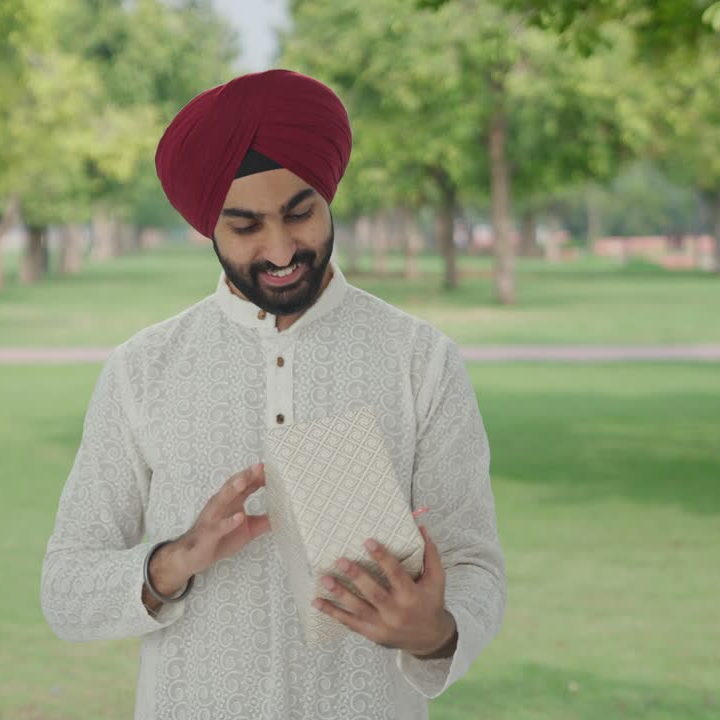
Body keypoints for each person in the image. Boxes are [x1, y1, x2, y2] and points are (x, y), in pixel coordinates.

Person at [41, 69, 505, 720]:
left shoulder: (419, 359)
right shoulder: (143, 370)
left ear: (327, 196)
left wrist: (435, 631)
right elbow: (65, 590)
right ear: (210, 227)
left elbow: (473, 561)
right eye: (246, 226)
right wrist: (173, 562)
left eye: (300, 212)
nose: (282, 248)